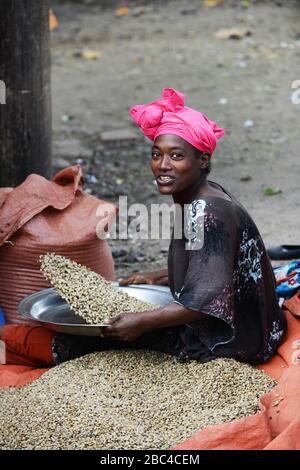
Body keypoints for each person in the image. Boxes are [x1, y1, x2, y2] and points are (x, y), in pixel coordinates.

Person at [1, 88, 287, 366]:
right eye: (156, 154)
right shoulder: (199, 196)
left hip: (234, 342)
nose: (163, 165)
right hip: (249, 326)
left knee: (89, 346)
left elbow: (205, 299)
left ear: (202, 160)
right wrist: (156, 277)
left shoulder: (207, 211)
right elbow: (214, 265)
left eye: (176, 156)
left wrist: (143, 322)